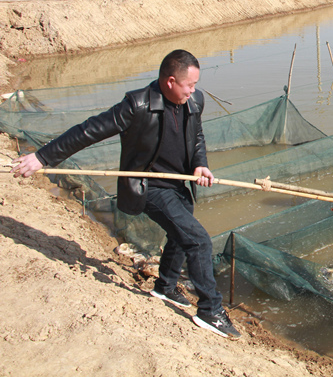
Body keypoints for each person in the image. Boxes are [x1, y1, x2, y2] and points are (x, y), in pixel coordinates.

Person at [12, 49, 240, 339]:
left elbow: (196, 136)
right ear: (170, 82)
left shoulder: (194, 100)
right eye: (189, 85)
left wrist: (200, 164)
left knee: (182, 232)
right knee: (198, 240)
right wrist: (43, 158)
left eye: (195, 85)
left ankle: (166, 287)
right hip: (147, 186)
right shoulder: (137, 104)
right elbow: (88, 131)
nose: (193, 90)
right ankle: (210, 311)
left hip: (178, 184)